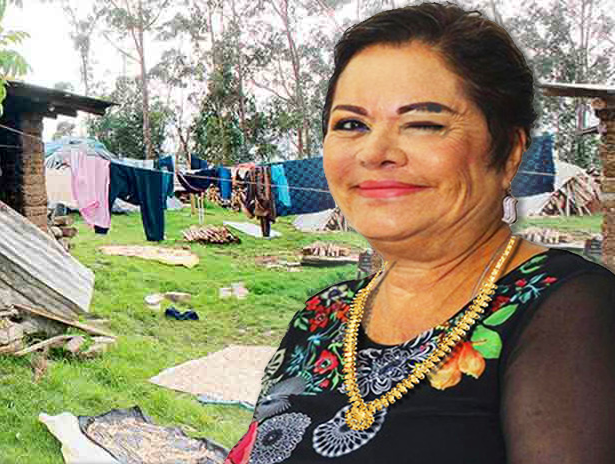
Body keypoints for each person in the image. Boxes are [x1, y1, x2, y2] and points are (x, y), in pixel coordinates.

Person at [225, 4, 614, 464]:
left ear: (509, 152)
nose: (375, 152)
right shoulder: (321, 316)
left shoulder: (573, 311)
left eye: (423, 124)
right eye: (351, 124)